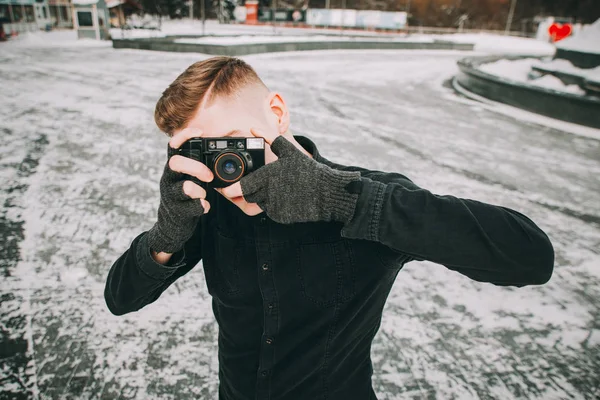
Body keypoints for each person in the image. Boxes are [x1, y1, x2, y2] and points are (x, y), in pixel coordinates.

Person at [104, 56, 554, 400]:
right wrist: (165, 237)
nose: (227, 171)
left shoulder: (362, 198)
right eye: (203, 155)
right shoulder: (210, 209)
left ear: (276, 113)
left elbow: (531, 257)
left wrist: (343, 199)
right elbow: (120, 299)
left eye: (233, 146)